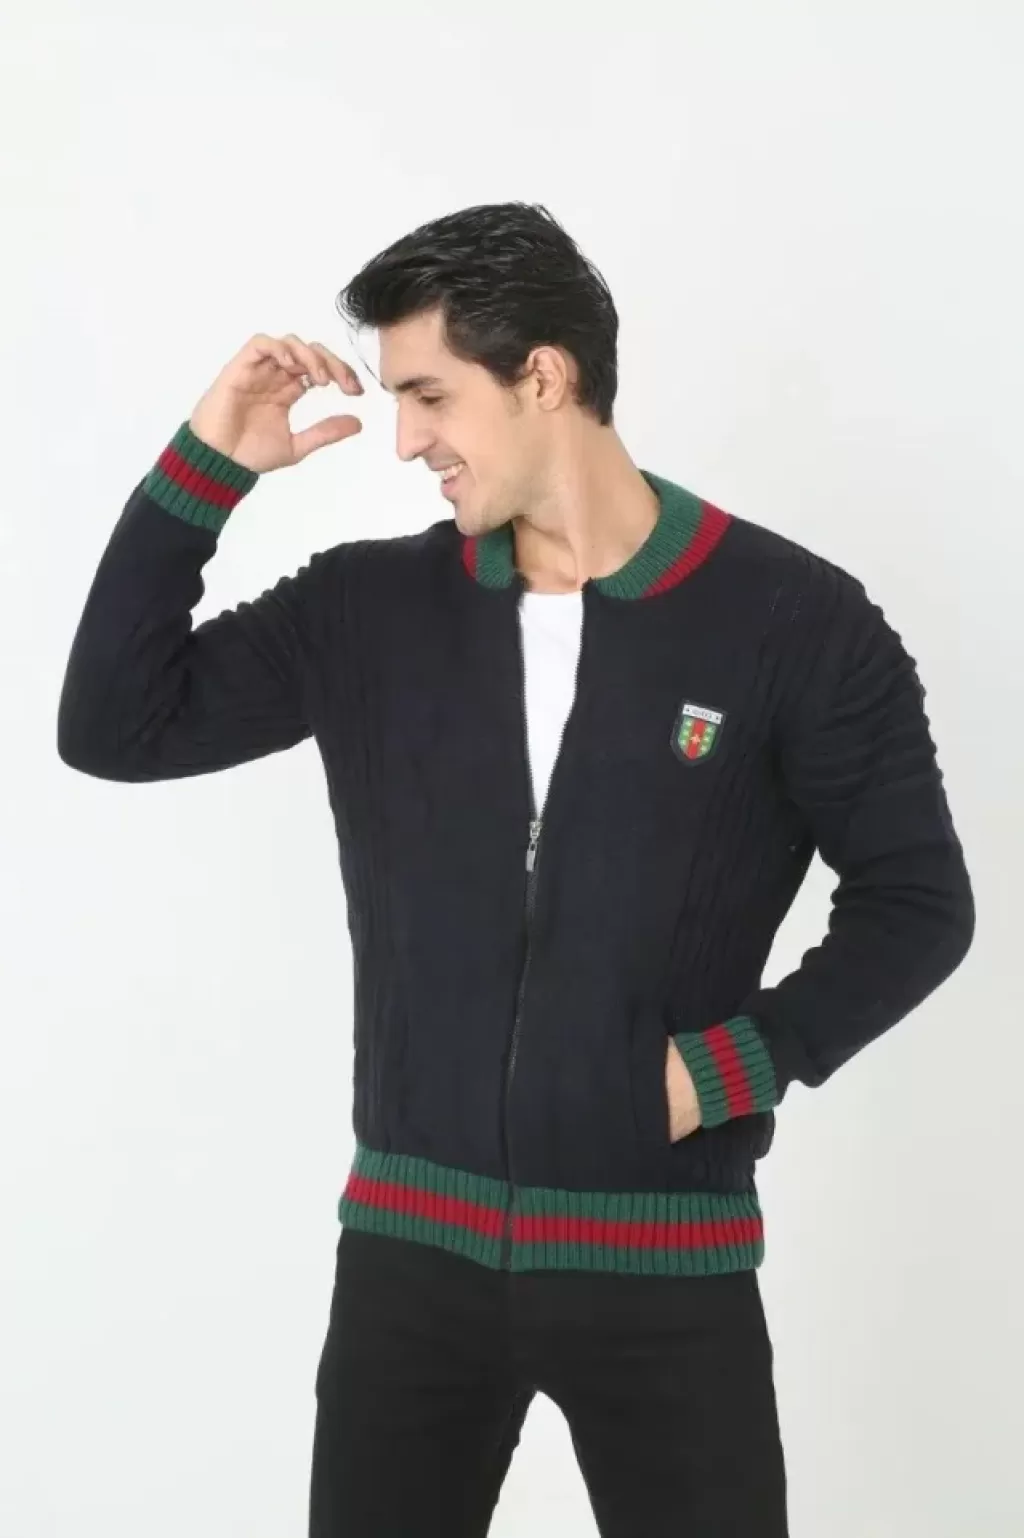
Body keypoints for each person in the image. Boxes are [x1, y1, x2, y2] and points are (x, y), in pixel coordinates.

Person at [56, 201, 975, 1537]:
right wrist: (210, 465)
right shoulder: (365, 612)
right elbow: (112, 725)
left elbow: (918, 902)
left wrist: (724, 1071)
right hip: (409, 1268)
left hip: (666, 1271)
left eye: (429, 394)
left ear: (543, 375)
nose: (405, 438)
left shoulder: (793, 622)